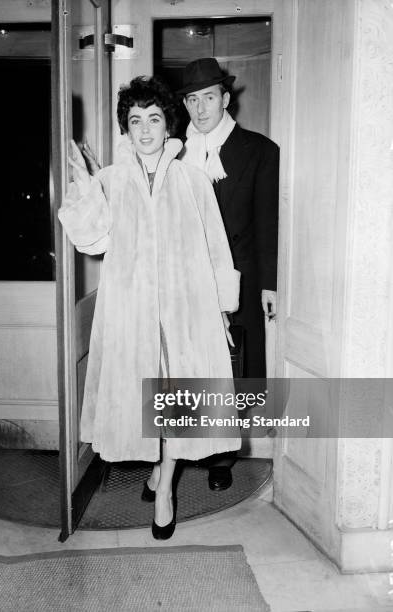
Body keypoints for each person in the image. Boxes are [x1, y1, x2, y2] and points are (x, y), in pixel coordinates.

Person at [58, 76, 242, 539]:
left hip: (187, 310)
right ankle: (160, 472)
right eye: (135, 120)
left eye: (153, 119)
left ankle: (165, 487)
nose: (144, 130)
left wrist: (222, 310)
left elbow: (217, 247)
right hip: (132, 311)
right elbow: (92, 240)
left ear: (168, 124)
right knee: (146, 398)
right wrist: (84, 188)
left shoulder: (193, 178)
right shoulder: (112, 180)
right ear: (126, 127)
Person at [178, 58, 279, 491]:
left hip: (235, 281)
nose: (200, 108)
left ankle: (221, 456)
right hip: (184, 281)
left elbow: (267, 221)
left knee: (231, 371)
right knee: (185, 367)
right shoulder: (173, 153)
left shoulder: (258, 150)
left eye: (209, 97)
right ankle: (177, 453)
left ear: (225, 98)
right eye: (192, 99)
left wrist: (269, 282)